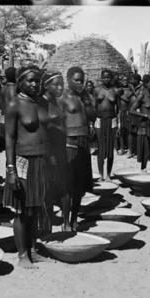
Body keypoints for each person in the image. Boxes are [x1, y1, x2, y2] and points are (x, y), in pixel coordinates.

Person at [3, 65, 51, 268]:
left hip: (41, 160)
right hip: (23, 161)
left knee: (36, 208)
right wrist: (11, 168)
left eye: (37, 80)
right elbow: (9, 137)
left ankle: (33, 249)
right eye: (30, 80)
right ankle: (22, 255)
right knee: (22, 210)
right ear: (21, 82)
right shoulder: (15, 105)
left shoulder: (42, 103)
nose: (34, 84)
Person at [60, 66, 95, 231]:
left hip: (84, 142)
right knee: (68, 185)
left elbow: (92, 115)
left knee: (79, 186)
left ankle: (74, 219)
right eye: (76, 80)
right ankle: (65, 221)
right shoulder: (62, 98)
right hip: (70, 142)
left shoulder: (84, 98)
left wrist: (87, 101)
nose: (80, 83)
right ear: (68, 80)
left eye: (82, 80)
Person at [41, 71, 70, 231]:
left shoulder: (58, 102)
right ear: (46, 86)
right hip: (48, 152)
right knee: (48, 189)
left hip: (61, 150)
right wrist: (49, 154)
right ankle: (48, 224)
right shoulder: (41, 104)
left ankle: (66, 223)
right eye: (56, 84)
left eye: (62, 84)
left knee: (64, 187)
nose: (60, 87)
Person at [94, 69, 120, 181]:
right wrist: (92, 123)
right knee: (101, 147)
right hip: (99, 120)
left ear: (111, 78)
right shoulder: (97, 90)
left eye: (108, 77)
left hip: (112, 119)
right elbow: (93, 106)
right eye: (104, 77)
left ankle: (108, 174)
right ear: (101, 78)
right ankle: (101, 174)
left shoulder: (115, 91)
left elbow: (118, 108)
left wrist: (118, 123)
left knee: (110, 149)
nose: (106, 79)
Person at [129, 75, 150, 171]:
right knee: (145, 149)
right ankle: (143, 169)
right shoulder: (142, 95)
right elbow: (132, 110)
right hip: (144, 126)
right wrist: (145, 116)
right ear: (146, 84)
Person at [0, 67, 17, 152]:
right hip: (12, 121)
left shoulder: (3, 89)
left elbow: (0, 104)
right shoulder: (15, 89)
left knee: (8, 148)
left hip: (3, 119)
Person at [127, 73, 143, 158]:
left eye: (132, 79)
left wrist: (133, 89)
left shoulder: (142, 88)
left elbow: (138, 97)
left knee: (137, 132)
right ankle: (130, 150)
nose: (131, 81)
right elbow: (127, 97)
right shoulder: (130, 87)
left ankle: (137, 151)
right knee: (130, 131)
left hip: (138, 112)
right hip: (130, 110)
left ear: (137, 80)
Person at [117, 73, 131, 155]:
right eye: (123, 80)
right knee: (121, 131)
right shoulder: (119, 90)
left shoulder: (130, 90)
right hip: (121, 112)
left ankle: (130, 149)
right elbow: (118, 102)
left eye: (126, 80)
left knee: (129, 132)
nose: (124, 81)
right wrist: (118, 113)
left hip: (128, 112)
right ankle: (122, 148)